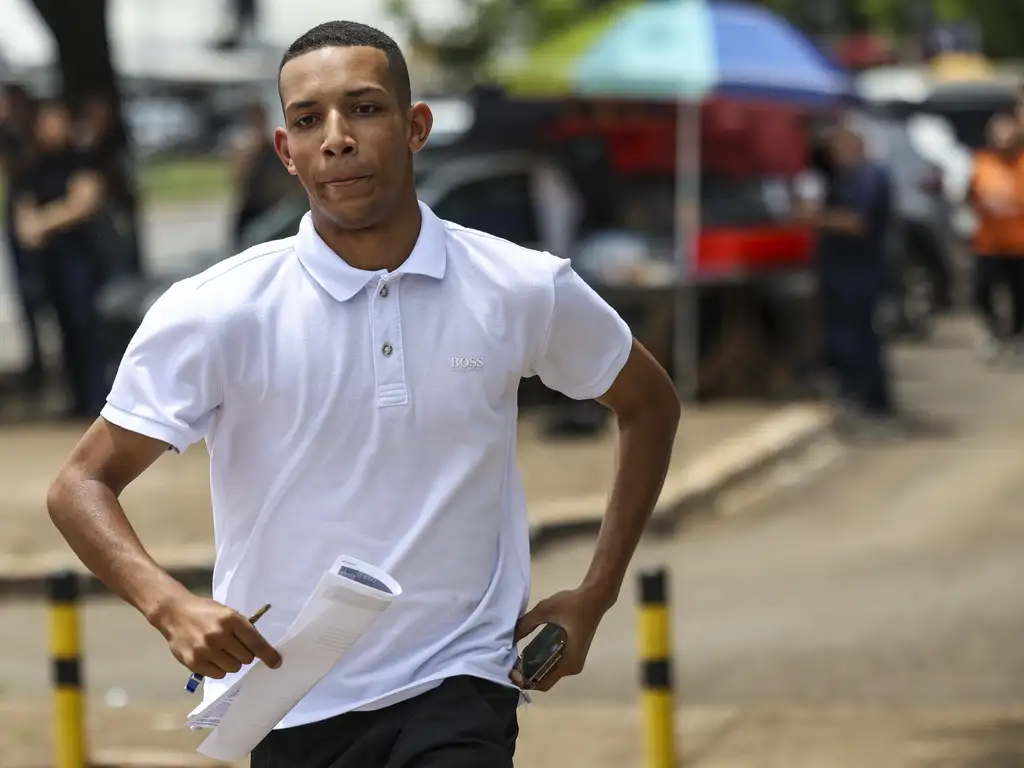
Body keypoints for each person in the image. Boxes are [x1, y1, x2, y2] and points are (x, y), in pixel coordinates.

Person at [46, 20, 681, 767]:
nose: (337, 138)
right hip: (287, 700)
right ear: (285, 151)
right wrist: (169, 604)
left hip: (461, 680)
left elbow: (649, 405)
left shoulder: (521, 287)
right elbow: (80, 484)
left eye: (365, 108)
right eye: (308, 120)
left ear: (416, 127)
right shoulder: (217, 310)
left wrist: (594, 595)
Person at [797, 123, 897, 428]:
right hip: (839, 272)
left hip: (860, 272)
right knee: (842, 337)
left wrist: (816, 218)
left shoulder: (871, 176)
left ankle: (872, 403)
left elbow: (858, 223)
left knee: (860, 339)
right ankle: (856, 396)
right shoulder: (842, 176)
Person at [14, 99, 109, 419]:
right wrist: (35, 223)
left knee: (86, 326)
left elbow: (82, 203)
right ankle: (77, 398)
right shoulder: (32, 165)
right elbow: (22, 210)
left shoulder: (80, 161)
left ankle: (98, 398)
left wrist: (43, 222)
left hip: (78, 257)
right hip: (47, 260)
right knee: (63, 328)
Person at [0, 83, 46, 394]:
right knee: (27, 299)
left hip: (40, 229)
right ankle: (36, 362)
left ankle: (41, 363)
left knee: (42, 297)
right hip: (18, 227)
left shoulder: (31, 137)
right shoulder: (9, 136)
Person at [968, 112, 1024, 362]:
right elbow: (968, 194)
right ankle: (995, 331)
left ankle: (1017, 335)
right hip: (988, 243)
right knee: (983, 291)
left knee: (1019, 294)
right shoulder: (981, 162)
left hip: (1020, 244)